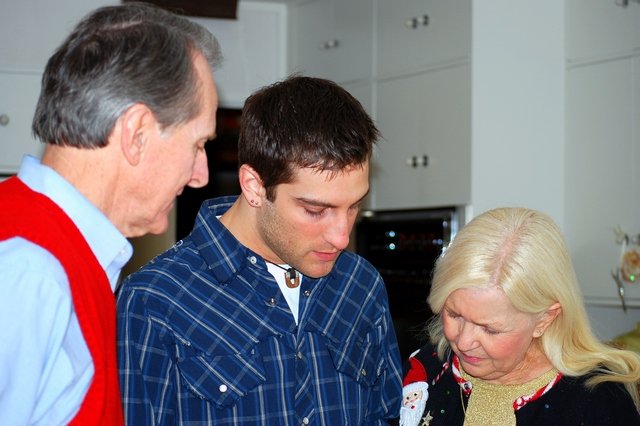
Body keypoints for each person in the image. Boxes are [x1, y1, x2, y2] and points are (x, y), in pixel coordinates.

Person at [116, 75, 403, 425]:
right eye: (315, 210)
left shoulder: (361, 284)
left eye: (354, 205)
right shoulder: (154, 300)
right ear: (254, 186)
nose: (342, 237)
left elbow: (388, 416)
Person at [0, 3, 222, 425]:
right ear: (136, 134)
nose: (201, 176)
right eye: (197, 144)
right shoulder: (29, 273)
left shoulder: (64, 256)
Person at [399, 207, 640, 426]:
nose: (463, 342)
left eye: (489, 329)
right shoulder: (425, 370)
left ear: (545, 319)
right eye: (454, 315)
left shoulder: (598, 400)